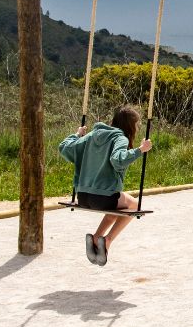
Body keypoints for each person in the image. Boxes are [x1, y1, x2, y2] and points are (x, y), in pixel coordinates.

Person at [59, 106, 152, 266]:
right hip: (103, 198)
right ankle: (107, 241)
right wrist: (140, 150)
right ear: (130, 125)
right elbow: (118, 160)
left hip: (83, 197)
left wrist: (77, 135)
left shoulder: (92, 135)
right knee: (134, 205)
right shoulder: (120, 138)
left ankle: (96, 237)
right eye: (136, 125)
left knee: (119, 207)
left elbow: (64, 148)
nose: (137, 129)